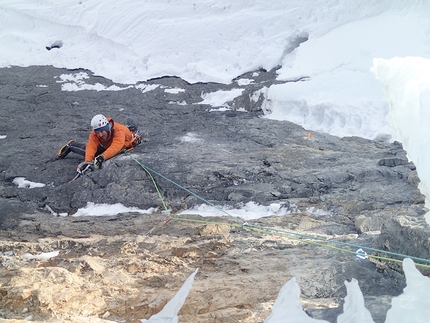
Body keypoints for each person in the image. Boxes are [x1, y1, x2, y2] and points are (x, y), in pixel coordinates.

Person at [56, 114, 142, 169]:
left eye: (101, 131)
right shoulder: (95, 134)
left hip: (114, 145)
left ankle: (71, 145)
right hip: (106, 145)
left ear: (106, 128)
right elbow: (91, 146)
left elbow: (116, 146)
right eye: (98, 132)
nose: (100, 135)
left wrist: (102, 157)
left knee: (98, 156)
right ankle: (71, 145)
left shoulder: (118, 130)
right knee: (90, 153)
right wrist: (87, 162)